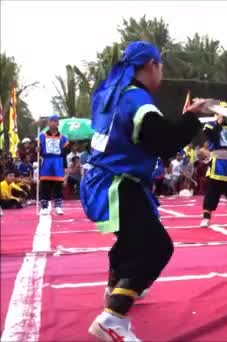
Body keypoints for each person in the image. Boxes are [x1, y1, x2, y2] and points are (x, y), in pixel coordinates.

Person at [80, 41, 212, 341]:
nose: (161, 73)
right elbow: (165, 143)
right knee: (156, 248)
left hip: (103, 182)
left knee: (130, 243)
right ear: (150, 65)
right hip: (116, 184)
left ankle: (116, 289)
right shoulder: (137, 99)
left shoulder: (110, 95)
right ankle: (112, 318)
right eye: (161, 66)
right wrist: (192, 117)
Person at [38, 114, 70, 215]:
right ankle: (44, 207)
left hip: (58, 162)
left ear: (58, 123)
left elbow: (64, 153)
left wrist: (65, 167)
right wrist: (38, 150)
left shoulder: (62, 138)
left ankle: (58, 206)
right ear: (48, 123)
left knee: (58, 185)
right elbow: (40, 153)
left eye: (55, 121)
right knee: (45, 185)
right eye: (51, 121)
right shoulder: (42, 136)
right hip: (47, 161)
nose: (53, 123)